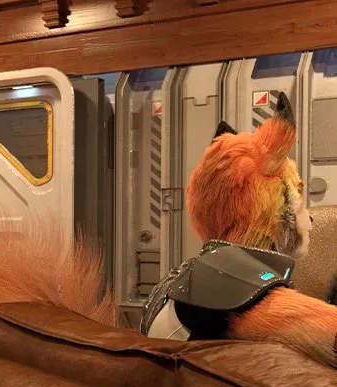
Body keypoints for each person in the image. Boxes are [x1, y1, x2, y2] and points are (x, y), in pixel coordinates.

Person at [141, 93, 336, 368]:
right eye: (300, 198)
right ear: (279, 209)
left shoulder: (184, 278)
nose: (310, 219)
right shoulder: (244, 292)